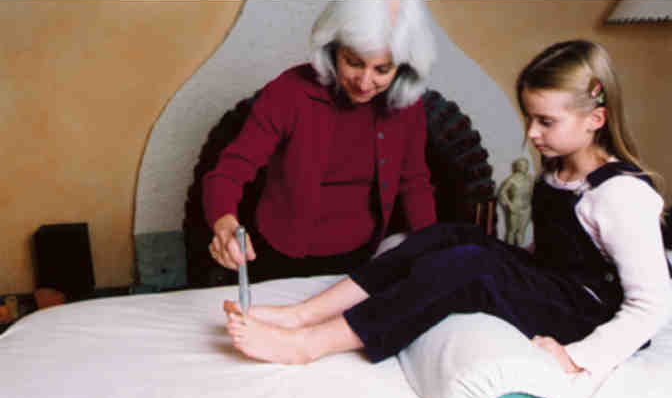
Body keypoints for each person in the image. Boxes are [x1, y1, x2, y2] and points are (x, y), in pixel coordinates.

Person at [223, 39, 672, 378]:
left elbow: (651, 304)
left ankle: (310, 344)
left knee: (468, 266)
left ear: (595, 120)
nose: (532, 133)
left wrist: (576, 358)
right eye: (529, 118)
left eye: (546, 122)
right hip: (560, 289)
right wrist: (510, 267)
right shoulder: (558, 171)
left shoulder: (621, 194)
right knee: (449, 235)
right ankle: (303, 314)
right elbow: (562, 252)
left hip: (589, 314)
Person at [203, 0, 438, 283]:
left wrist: (431, 249)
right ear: (332, 49)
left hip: (361, 255)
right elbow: (229, 171)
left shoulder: (406, 106)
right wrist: (224, 223)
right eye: (354, 63)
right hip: (280, 256)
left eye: (382, 69)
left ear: (402, 67)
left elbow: (414, 182)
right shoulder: (289, 93)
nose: (365, 82)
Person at [497, 157, 533, 246]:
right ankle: (510, 251)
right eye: (524, 165)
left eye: (527, 165)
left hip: (527, 207)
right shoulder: (511, 179)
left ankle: (520, 250)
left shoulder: (529, 178)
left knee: (522, 231)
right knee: (512, 231)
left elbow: (532, 192)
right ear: (518, 167)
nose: (526, 167)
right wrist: (510, 205)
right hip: (515, 206)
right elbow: (502, 192)